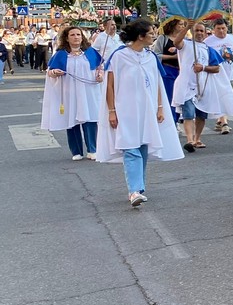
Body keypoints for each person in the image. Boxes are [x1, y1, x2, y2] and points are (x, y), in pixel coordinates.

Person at [96, 19, 184, 207]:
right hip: (124, 109)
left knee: (143, 146)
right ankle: (134, 190)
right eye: (151, 33)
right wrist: (111, 111)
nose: (154, 35)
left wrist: (160, 107)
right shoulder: (119, 56)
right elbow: (109, 85)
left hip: (147, 108)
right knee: (130, 147)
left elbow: (158, 83)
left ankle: (139, 186)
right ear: (140, 36)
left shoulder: (150, 56)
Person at [170, 21, 233, 152]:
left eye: (202, 31)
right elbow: (176, 42)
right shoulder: (185, 44)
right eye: (196, 30)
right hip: (186, 85)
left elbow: (216, 68)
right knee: (188, 113)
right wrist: (187, 27)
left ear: (205, 33)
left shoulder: (209, 49)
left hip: (203, 86)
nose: (199, 33)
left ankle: (197, 139)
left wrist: (202, 67)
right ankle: (190, 141)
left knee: (201, 115)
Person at [41, 25, 104, 159]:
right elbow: (50, 72)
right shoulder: (61, 54)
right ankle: (76, 151)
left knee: (90, 119)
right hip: (69, 92)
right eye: (72, 35)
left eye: (78, 35)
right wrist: (54, 72)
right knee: (71, 120)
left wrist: (100, 75)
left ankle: (92, 149)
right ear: (67, 38)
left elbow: (100, 67)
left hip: (88, 91)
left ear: (82, 37)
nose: (76, 37)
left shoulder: (90, 52)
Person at [204, 18, 233, 134]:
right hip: (216, 76)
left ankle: (220, 120)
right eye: (218, 29)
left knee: (228, 100)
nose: (221, 31)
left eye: (223, 28)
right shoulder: (208, 42)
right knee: (220, 100)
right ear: (213, 29)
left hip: (232, 76)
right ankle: (224, 123)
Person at [151, 18, 182, 124]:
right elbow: (156, 55)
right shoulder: (163, 38)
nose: (182, 27)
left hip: (181, 72)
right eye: (180, 24)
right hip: (168, 70)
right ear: (173, 25)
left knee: (180, 98)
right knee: (170, 97)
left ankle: (177, 119)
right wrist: (172, 57)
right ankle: (171, 122)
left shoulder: (184, 38)